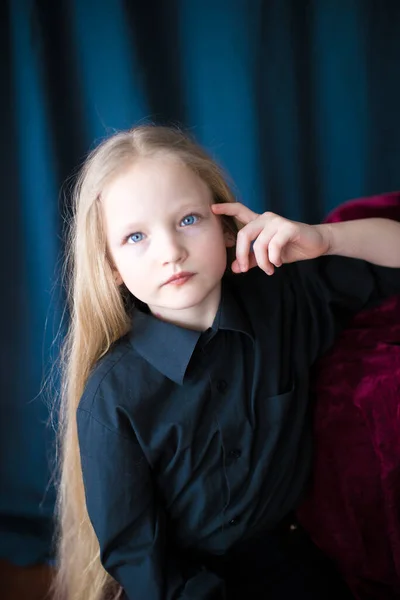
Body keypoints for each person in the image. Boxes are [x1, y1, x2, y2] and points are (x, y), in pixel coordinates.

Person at [54, 124, 400, 600]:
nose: (171, 252)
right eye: (135, 237)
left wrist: (324, 238)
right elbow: (137, 555)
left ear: (225, 225)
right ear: (111, 266)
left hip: (300, 566)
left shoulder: (286, 298)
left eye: (188, 220)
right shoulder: (113, 396)